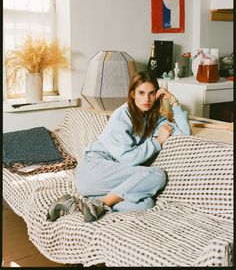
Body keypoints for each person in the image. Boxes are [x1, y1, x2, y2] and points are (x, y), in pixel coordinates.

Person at [47, 71, 191, 223]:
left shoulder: (153, 118)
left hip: (107, 181)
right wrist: (157, 142)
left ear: (157, 95)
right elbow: (129, 160)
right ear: (133, 94)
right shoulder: (123, 115)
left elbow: (184, 133)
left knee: (146, 203)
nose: (147, 99)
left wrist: (174, 102)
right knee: (157, 175)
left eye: (151, 93)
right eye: (141, 93)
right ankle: (101, 203)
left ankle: (78, 205)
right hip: (93, 169)